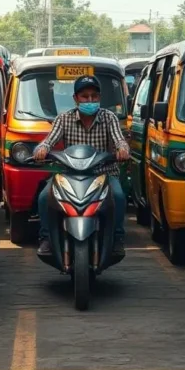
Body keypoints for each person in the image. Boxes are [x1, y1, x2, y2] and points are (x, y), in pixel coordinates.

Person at [33, 75, 131, 258]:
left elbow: (120, 140)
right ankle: (46, 237)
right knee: (45, 197)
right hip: (69, 175)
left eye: (94, 96)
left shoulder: (109, 118)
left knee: (117, 196)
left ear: (99, 98)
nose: (90, 100)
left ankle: (117, 238)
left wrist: (122, 149)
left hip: (103, 174)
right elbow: (48, 141)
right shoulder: (64, 119)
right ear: (76, 99)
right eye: (85, 96)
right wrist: (42, 149)